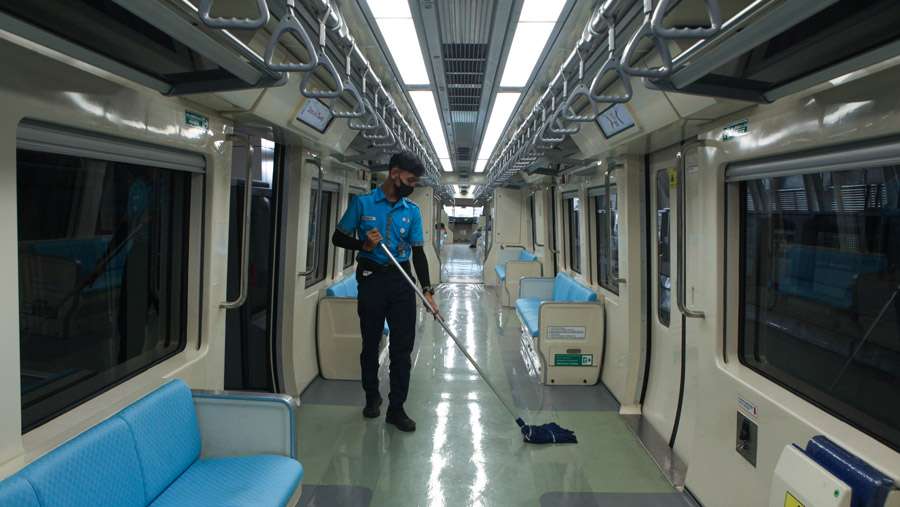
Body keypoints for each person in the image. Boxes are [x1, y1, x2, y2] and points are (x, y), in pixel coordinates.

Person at [331, 151, 442, 432]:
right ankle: (372, 396)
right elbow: (338, 237)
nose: (412, 186)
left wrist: (427, 291)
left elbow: (418, 254)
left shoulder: (412, 211)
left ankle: (396, 408)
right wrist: (363, 246)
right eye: (410, 179)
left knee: (402, 350)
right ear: (395, 173)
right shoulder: (363, 203)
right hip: (371, 280)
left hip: (402, 281)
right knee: (370, 344)